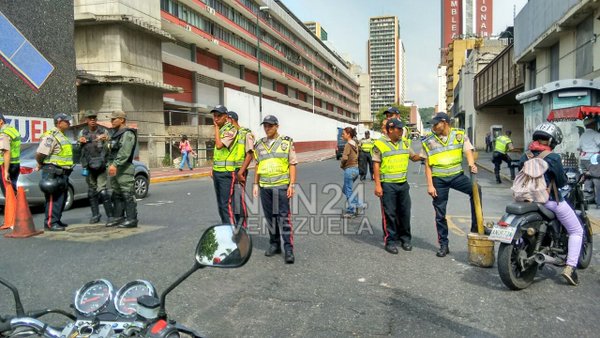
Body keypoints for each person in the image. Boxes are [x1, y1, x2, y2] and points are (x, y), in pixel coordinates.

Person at [518, 122, 583, 286]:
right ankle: (570, 268)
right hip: (548, 201)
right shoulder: (552, 157)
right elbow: (560, 181)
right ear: (551, 141)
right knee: (576, 230)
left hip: (526, 199)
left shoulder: (525, 155)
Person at [421, 113, 478, 257]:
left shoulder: (459, 135)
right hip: (439, 180)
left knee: (477, 191)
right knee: (440, 214)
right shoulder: (428, 141)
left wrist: (471, 164)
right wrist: (430, 185)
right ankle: (444, 245)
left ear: (444, 122)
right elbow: (427, 166)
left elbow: (468, 151)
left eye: (435, 124)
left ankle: (476, 225)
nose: (433, 127)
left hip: (457, 176)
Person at [253, 115, 297, 264]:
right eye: (265, 126)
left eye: (270, 126)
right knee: (270, 217)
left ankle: (288, 248)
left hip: (281, 185)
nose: (267, 128)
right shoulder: (259, 144)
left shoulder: (286, 142)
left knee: (283, 218)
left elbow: (292, 163)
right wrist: (255, 184)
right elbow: (257, 165)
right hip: (265, 186)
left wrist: (292, 184)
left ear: (277, 126)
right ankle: (275, 244)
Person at [373, 118, 422, 254]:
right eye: (399, 129)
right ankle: (390, 241)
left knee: (405, 213)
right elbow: (376, 165)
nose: (401, 131)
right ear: (390, 130)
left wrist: (426, 154)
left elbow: (413, 157)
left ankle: (405, 239)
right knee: (390, 214)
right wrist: (378, 185)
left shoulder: (405, 143)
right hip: (387, 185)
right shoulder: (379, 144)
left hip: (403, 184)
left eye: (402, 129)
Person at [36, 113, 74, 231]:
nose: (69, 123)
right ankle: (50, 223)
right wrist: (40, 163)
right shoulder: (51, 136)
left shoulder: (62, 135)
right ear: (59, 122)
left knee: (60, 199)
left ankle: (56, 220)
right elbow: (40, 153)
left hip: (62, 172)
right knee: (53, 199)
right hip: (53, 172)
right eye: (66, 121)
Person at [78, 110, 113, 225]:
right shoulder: (82, 132)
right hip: (88, 166)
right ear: (86, 120)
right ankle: (95, 215)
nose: (92, 120)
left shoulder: (104, 131)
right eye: (90, 118)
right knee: (92, 191)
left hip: (101, 165)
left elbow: (112, 145)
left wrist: (106, 139)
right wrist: (80, 142)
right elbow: (78, 149)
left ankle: (110, 216)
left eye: (94, 118)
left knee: (102, 191)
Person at [106, 110, 138, 228]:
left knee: (127, 193)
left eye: (114, 119)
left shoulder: (127, 133)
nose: (112, 121)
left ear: (122, 120)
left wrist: (115, 164)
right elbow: (112, 149)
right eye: (111, 119)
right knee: (117, 193)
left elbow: (125, 152)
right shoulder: (116, 134)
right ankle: (118, 217)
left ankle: (131, 219)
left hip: (123, 168)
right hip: (115, 168)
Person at [211, 105, 240, 224]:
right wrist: (212, 168)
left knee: (225, 204)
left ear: (226, 117)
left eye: (219, 116)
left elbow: (219, 145)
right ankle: (226, 228)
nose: (216, 119)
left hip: (227, 172)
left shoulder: (231, 130)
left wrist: (216, 128)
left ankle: (231, 232)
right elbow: (217, 152)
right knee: (220, 205)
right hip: (217, 171)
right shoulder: (221, 130)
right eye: (214, 116)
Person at [228, 111, 255, 228]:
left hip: (239, 170)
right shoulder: (228, 134)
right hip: (228, 170)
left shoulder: (246, 133)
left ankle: (242, 227)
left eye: (227, 120)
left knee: (238, 199)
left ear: (231, 119)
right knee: (230, 200)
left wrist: (240, 172)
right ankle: (234, 226)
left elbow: (250, 154)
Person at [578, 117, 600, 206]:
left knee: (587, 177)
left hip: (583, 159)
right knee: (597, 179)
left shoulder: (582, 135)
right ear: (593, 124)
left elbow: (578, 147)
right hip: (593, 158)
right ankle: (599, 201)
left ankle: (587, 199)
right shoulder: (596, 134)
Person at [340, 127, 360, 217]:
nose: (342, 135)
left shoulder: (348, 145)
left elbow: (344, 158)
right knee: (345, 189)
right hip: (356, 169)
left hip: (349, 170)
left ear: (348, 134)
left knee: (348, 191)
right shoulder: (355, 144)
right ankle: (358, 204)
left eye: (343, 133)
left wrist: (342, 165)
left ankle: (351, 211)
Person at [0, 113, 21, 194]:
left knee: (8, 193)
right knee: (12, 190)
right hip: (15, 164)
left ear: (1, 121)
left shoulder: (3, 133)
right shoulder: (12, 130)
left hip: (6, 166)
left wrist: (6, 171)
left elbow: (6, 151)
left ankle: (12, 207)